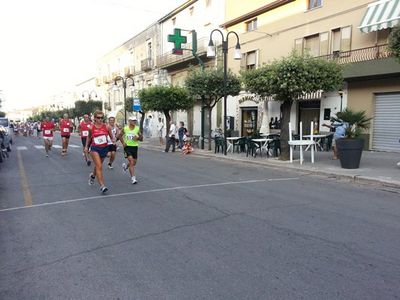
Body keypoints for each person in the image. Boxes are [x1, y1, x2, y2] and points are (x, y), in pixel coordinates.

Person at [85, 110, 114, 194]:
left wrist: (113, 141)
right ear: (95, 118)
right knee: (99, 166)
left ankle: (93, 176)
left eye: (102, 118)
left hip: (104, 148)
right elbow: (89, 137)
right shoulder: (91, 127)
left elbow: (111, 137)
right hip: (95, 149)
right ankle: (102, 186)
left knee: (98, 166)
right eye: (98, 118)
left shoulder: (107, 127)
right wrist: (86, 146)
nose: (100, 119)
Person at [118, 116, 142, 184]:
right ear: (129, 121)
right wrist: (123, 143)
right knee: (131, 161)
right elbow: (119, 135)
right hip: (127, 147)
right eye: (133, 120)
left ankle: (125, 166)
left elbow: (141, 138)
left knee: (134, 163)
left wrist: (138, 138)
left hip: (135, 147)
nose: (134, 122)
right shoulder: (125, 128)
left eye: (135, 120)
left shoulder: (137, 128)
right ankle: (133, 178)